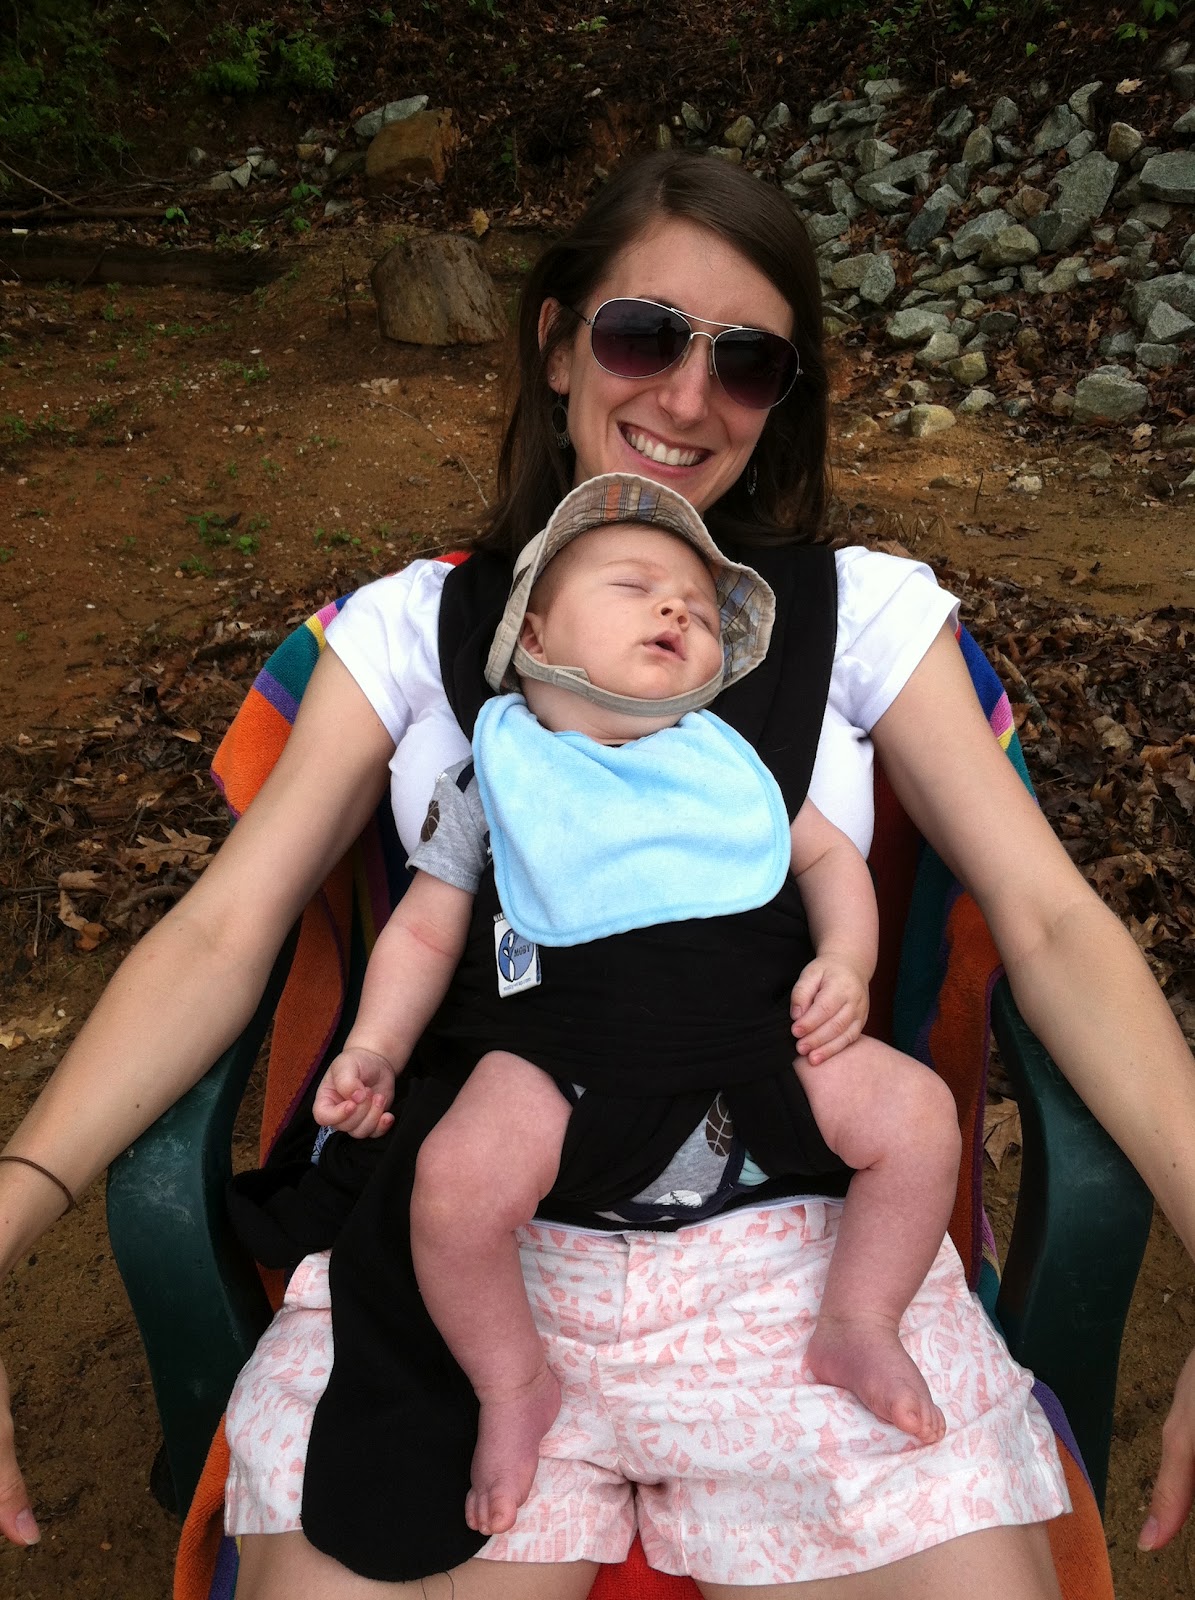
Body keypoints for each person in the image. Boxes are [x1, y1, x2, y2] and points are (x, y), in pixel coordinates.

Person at [1, 149, 1194, 1600]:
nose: (687, 397)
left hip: (795, 1251)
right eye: (643, 335)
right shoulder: (417, 631)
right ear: (558, 342)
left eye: (745, 361)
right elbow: (221, 932)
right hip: (476, 1237)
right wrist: (13, 1209)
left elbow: (1051, 921)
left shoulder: (859, 615)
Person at [310, 473, 961, 1540]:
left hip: (759, 1059)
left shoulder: (734, 766)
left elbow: (830, 864)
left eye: (699, 610)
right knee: (452, 1186)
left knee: (918, 1117)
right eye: (632, 586)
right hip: (560, 1069)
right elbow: (425, 929)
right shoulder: (492, 776)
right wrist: (376, 1045)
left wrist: (846, 962)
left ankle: (858, 1317)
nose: (675, 608)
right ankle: (513, 1382)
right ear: (532, 636)